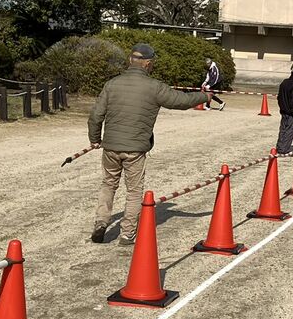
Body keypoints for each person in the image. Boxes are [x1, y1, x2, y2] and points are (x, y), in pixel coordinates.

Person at [88, 43, 211, 244]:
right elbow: (180, 101)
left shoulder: (112, 84)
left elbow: (95, 115)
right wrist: (204, 96)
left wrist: (95, 139)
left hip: (110, 146)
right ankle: (127, 233)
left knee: (108, 184)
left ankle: (101, 223)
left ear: (130, 60)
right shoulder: (154, 87)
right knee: (134, 191)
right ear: (147, 63)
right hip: (135, 149)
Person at [276, 63, 293, 154]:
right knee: (289, 131)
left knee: (282, 130)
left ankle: (279, 147)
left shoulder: (284, 83)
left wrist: (282, 108)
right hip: (291, 113)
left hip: (283, 111)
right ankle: (284, 149)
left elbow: (279, 97)